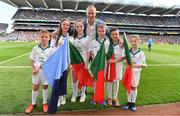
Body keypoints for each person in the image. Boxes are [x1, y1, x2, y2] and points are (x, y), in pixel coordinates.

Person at [25, 30, 53, 113]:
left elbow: (53, 62)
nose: (44, 38)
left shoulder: (51, 49)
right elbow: (32, 60)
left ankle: (45, 103)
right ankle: (33, 103)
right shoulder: (35, 48)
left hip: (46, 72)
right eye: (42, 37)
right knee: (35, 87)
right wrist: (33, 69)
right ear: (39, 38)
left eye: (46, 37)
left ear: (49, 38)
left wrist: (46, 66)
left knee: (45, 86)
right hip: (37, 72)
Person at [51, 18, 73, 107]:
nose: (66, 26)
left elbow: (71, 51)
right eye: (64, 24)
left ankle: (63, 96)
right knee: (58, 80)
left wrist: (70, 63)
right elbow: (52, 48)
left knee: (64, 80)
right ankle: (58, 97)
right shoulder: (56, 36)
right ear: (60, 25)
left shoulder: (71, 37)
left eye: (67, 25)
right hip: (58, 62)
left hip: (67, 62)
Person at [123, 35, 147, 111]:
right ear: (130, 42)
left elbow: (144, 65)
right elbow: (124, 61)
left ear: (139, 42)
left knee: (134, 87)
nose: (133, 43)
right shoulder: (127, 52)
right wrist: (126, 65)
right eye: (132, 41)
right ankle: (129, 102)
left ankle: (133, 103)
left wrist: (134, 65)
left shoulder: (141, 53)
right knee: (128, 87)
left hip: (136, 73)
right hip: (128, 72)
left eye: (135, 41)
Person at [89, 23, 110, 105]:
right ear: (97, 32)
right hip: (95, 64)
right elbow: (91, 52)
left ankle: (102, 98)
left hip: (104, 64)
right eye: (99, 31)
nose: (101, 32)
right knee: (95, 79)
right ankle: (95, 96)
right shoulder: (93, 41)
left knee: (102, 80)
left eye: (103, 31)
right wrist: (95, 58)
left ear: (105, 31)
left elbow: (108, 54)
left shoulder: (107, 42)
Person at [71, 19, 90, 103]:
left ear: (83, 27)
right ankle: (74, 94)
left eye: (81, 26)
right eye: (77, 26)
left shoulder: (87, 37)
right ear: (75, 28)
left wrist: (86, 63)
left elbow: (88, 51)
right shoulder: (72, 38)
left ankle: (83, 94)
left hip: (83, 61)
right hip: (75, 62)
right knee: (74, 78)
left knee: (83, 79)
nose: (79, 28)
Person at [106, 27, 125, 107]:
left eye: (116, 34)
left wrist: (115, 61)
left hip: (118, 65)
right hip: (109, 65)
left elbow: (124, 56)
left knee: (116, 81)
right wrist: (109, 60)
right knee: (110, 81)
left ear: (119, 34)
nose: (115, 36)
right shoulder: (107, 43)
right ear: (110, 35)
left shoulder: (122, 44)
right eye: (113, 34)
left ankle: (115, 97)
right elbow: (105, 54)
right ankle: (109, 97)